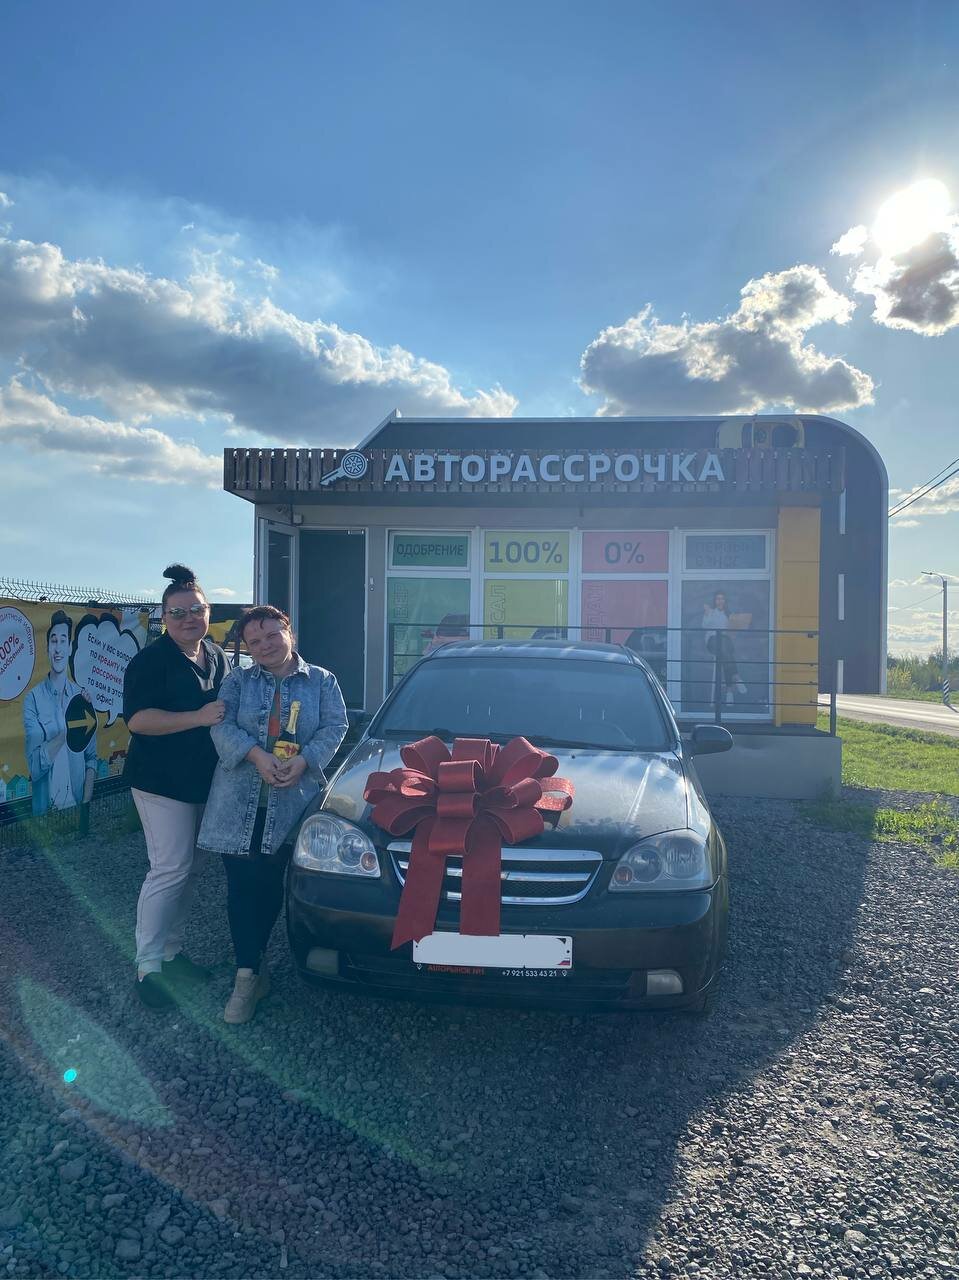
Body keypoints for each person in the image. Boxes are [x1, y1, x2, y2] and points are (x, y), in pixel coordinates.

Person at [198, 605, 348, 1024]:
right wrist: (257, 756)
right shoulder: (237, 682)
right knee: (242, 889)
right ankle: (246, 976)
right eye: (254, 641)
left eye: (271, 635)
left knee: (270, 887)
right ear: (247, 648)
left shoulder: (322, 681)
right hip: (237, 803)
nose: (264, 646)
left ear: (289, 633)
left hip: (291, 803)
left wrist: (305, 761)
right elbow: (220, 726)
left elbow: (335, 727)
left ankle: (259, 961)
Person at [122, 565, 230, 1010]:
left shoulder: (217, 655)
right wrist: (196, 718)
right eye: (178, 612)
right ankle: (147, 967)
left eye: (196, 610)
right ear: (164, 617)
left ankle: (172, 952)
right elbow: (138, 720)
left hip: (205, 782)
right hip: (160, 782)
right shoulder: (150, 661)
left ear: (208, 612)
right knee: (169, 869)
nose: (189, 618)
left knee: (192, 869)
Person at [23, 611, 98, 816]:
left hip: (76, 808)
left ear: (70, 647)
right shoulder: (33, 699)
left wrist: (85, 803)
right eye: (53, 641)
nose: (58, 648)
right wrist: (65, 734)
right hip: (44, 815)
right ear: (47, 648)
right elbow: (34, 768)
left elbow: (91, 757)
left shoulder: (81, 699)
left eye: (63, 640)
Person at [701, 591, 747, 700]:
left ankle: (729, 692)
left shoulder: (729, 614)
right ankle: (735, 680)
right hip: (713, 641)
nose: (720, 601)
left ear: (725, 601)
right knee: (726, 652)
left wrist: (737, 624)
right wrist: (707, 614)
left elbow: (732, 631)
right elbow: (704, 626)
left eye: (722, 599)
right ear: (715, 601)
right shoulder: (711, 612)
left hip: (725, 643)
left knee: (725, 654)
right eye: (718, 599)